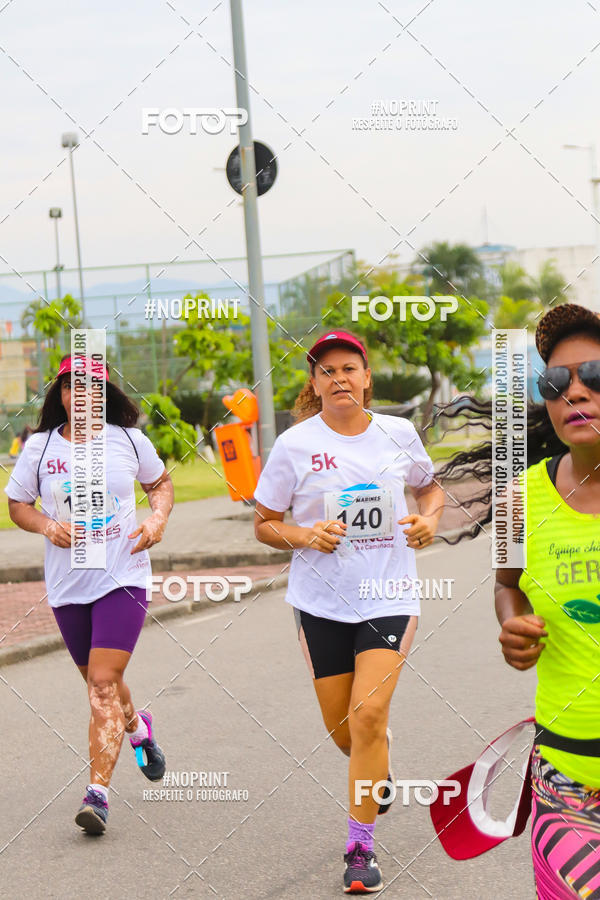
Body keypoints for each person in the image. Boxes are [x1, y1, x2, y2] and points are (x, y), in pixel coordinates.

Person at [253, 330, 444, 893]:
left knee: (367, 718)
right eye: (326, 370)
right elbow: (264, 523)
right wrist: (305, 535)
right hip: (319, 603)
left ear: (367, 378)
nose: (339, 378)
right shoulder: (293, 445)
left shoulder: (398, 433)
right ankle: (376, 763)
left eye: (348, 368)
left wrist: (429, 519)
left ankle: (359, 850)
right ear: (314, 384)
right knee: (345, 732)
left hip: (389, 598)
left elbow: (429, 490)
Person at [436, 303, 600, 898]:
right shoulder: (517, 502)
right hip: (566, 775)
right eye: (557, 382)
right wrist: (512, 624)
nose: (576, 391)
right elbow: (508, 584)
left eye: (594, 376)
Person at [5, 355, 174, 835]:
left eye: (90, 388)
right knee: (99, 682)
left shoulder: (127, 440)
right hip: (67, 584)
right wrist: (47, 524)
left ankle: (96, 795)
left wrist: (157, 517)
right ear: (60, 395)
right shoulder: (39, 448)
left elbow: (159, 483)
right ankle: (138, 728)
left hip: (124, 575)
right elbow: (17, 504)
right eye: (70, 388)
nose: (80, 396)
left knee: (102, 681)